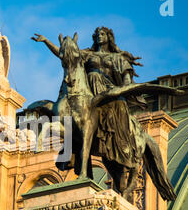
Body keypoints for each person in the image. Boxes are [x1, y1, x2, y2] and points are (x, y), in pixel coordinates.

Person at [31, 27, 144, 169]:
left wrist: (123, 87)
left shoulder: (118, 58)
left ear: (109, 37)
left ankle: (121, 143)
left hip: (108, 93)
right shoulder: (87, 54)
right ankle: (73, 146)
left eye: (102, 34)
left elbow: (126, 80)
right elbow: (66, 54)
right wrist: (47, 42)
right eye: (97, 35)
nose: (99, 37)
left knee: (115, 107)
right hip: (88, 92)